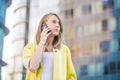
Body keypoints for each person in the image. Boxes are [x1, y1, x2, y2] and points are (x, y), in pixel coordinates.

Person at [22, 13, 77, 80]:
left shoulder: (64, 50)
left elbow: (70, 76)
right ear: (44, 26)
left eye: (58, 23)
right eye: (54, 22)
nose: (57, 25)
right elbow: (33, 67)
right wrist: (42, 42)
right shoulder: (29, 48)